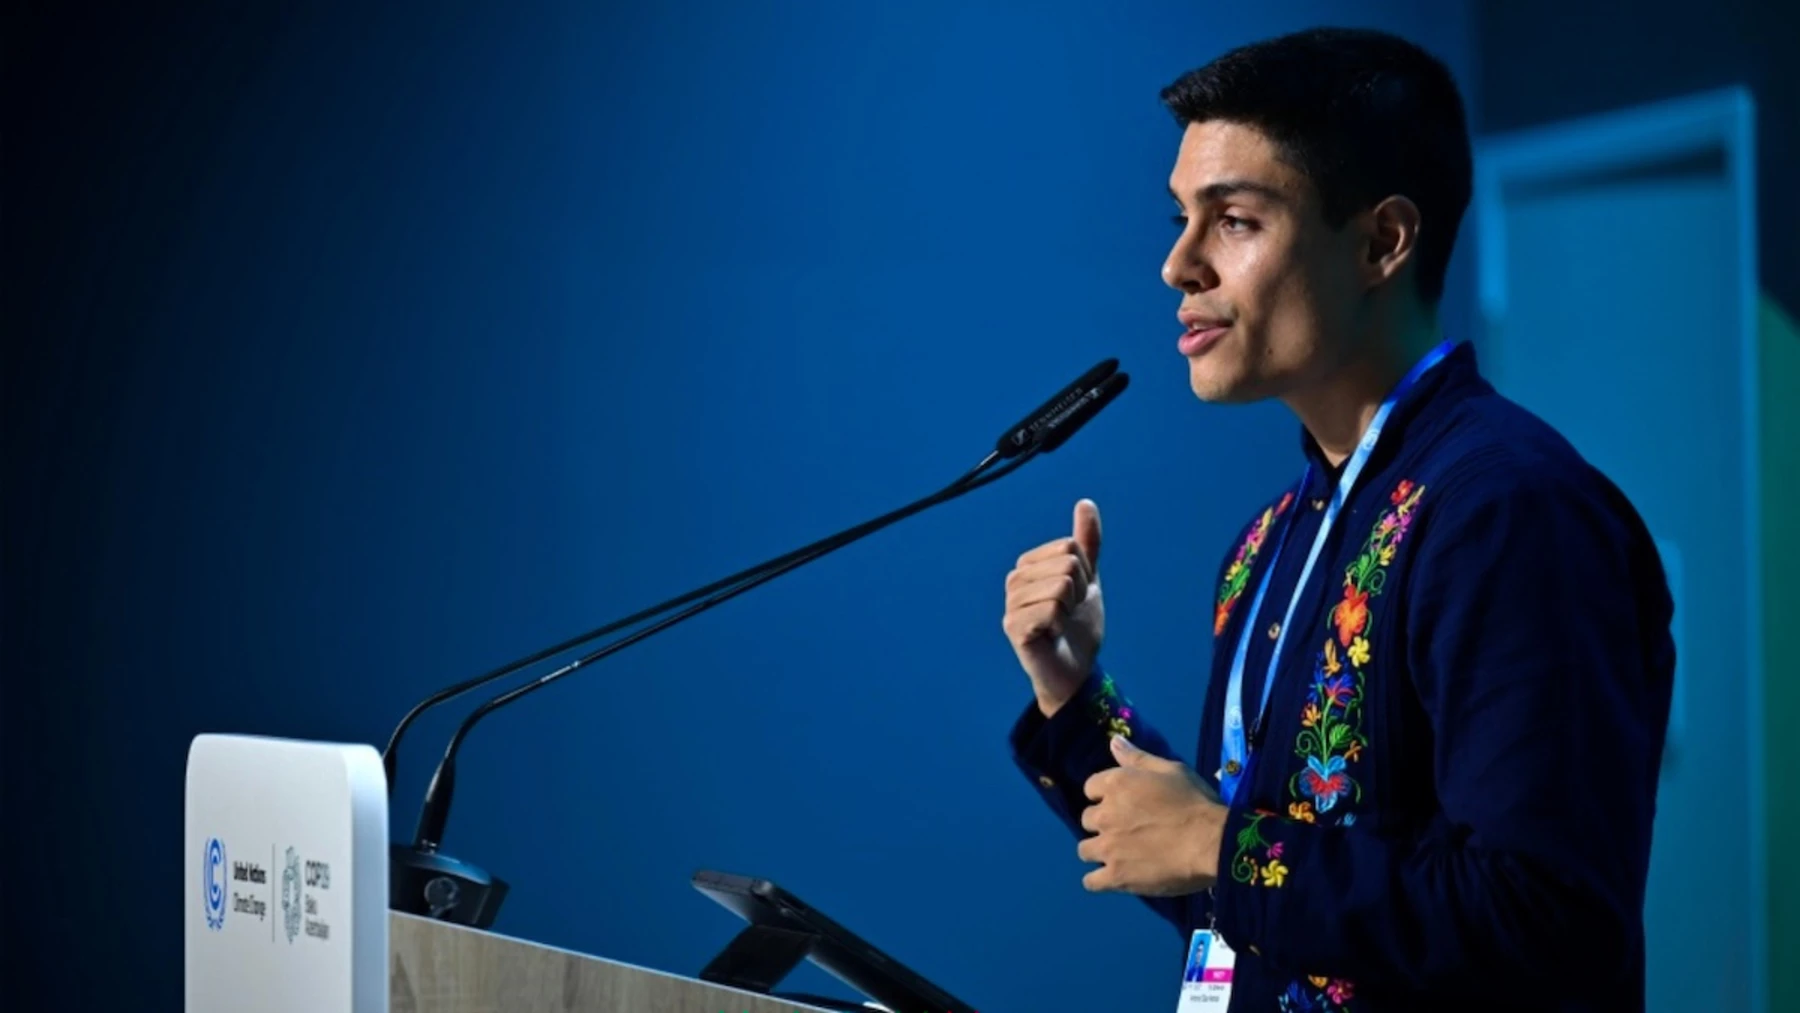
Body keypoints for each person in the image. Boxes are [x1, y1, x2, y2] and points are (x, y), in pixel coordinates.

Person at [1002, 26, 1675, 1012]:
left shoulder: (1509, 510)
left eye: (1232, 219)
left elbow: (1549, 918)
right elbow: (1257, 903)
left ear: (1380, 242)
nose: (1177, 265)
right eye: (1180, 217)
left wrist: (1220, 846)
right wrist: (1071, 694)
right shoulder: (1269, 543)